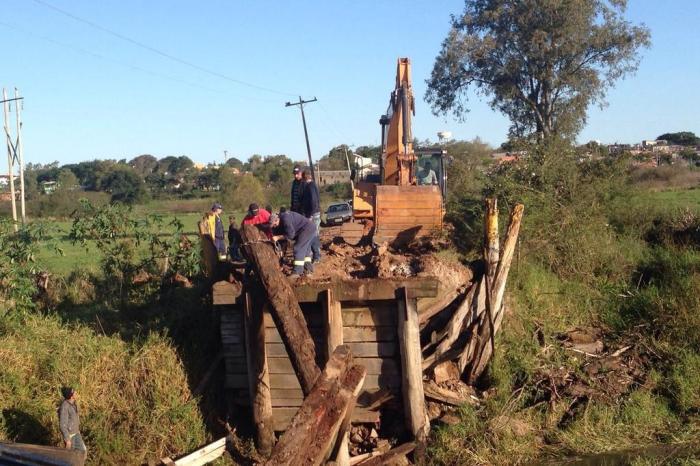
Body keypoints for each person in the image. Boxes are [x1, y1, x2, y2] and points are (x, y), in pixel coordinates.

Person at [270, 211, 315, 279]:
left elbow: (290, 235)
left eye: (274, 224)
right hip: (304, 230)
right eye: (272, 225)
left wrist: (277, 237)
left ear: (277, 219)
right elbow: (282, 240)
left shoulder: (285, 219)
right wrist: (281, 250)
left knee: (298, 248)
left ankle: (297, 272)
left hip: (307, 229)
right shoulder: (277, 225)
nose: (274, 226)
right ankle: (308, 270)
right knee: (305, 250)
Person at [58, 387, 86, 457]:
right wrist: (67, 440)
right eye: (75, 393)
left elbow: (74, 419)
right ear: (71, 396)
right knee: (70, 457)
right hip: (70, 436)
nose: (77, 394)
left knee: (83, 452)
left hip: (76, 433)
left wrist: (78, 430)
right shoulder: (65, 406)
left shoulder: (74, 404)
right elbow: (62, 424)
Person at [300, 171, 321, 263]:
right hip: (313, 213)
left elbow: (313, 201)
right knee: (313, 234)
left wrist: (310, 215)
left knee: (313, 234)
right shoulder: (311, 185)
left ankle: (317, 256)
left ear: (305, 178)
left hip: (313, 214)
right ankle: (315, 255)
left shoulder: (310, 186)